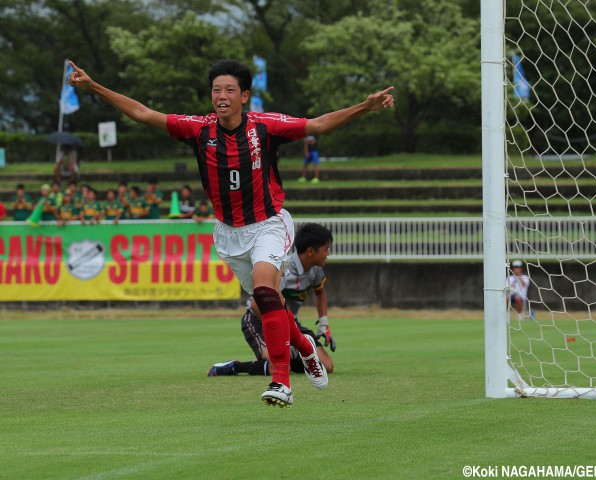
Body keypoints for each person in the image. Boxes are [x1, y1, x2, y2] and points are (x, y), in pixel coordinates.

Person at [68, 58, 394, 407]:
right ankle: (305, 347)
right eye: (216, 90)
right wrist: (95, 88)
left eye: (229, 90)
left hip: (269, 223)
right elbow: (144, 113)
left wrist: (365, 106)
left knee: (266, 293)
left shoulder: (265, 126)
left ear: (244, 97)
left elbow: (319, 124)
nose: (221, 96)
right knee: (272, 304)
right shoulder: (199, 129)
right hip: (229, 234)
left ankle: (281, 383)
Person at [208, 223, 335, 378]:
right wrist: (285, 335)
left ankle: (290, 354)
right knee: (279, 366)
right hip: (258, 320)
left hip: (290, 323)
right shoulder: (283, 269)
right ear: (310, 251)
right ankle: (234, 367)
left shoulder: (315, 270)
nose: (328, 254)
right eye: (326, 249)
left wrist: (324, 323)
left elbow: (320, 292)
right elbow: (256, 305)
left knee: (326, 366)